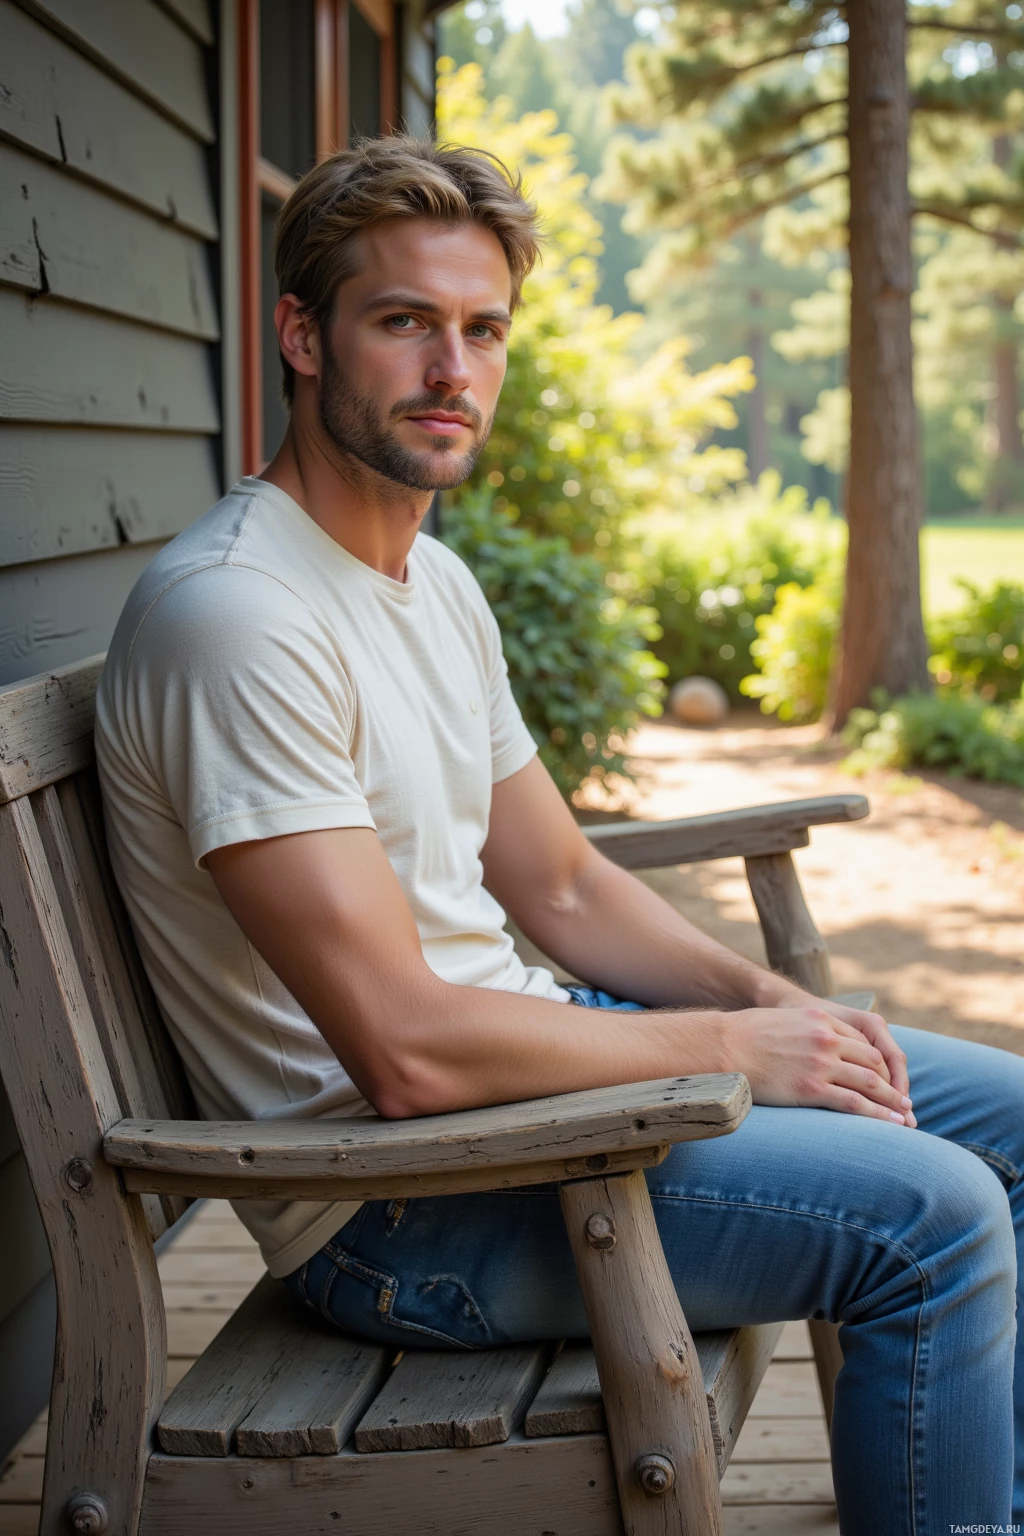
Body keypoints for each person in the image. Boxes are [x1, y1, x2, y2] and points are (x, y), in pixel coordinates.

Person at [96, 135, 1023, 1532]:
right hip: (405, 1203)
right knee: (935, 1221)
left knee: (1008, 1115)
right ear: (301, 333)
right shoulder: (242, 620)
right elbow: (404, 1051)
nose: (451, 371)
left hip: (537, 1082)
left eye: (482, 330)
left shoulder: (430, 580)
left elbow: (563, 880)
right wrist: (727, 1049)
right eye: (404, 322)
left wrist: (775, 1003)